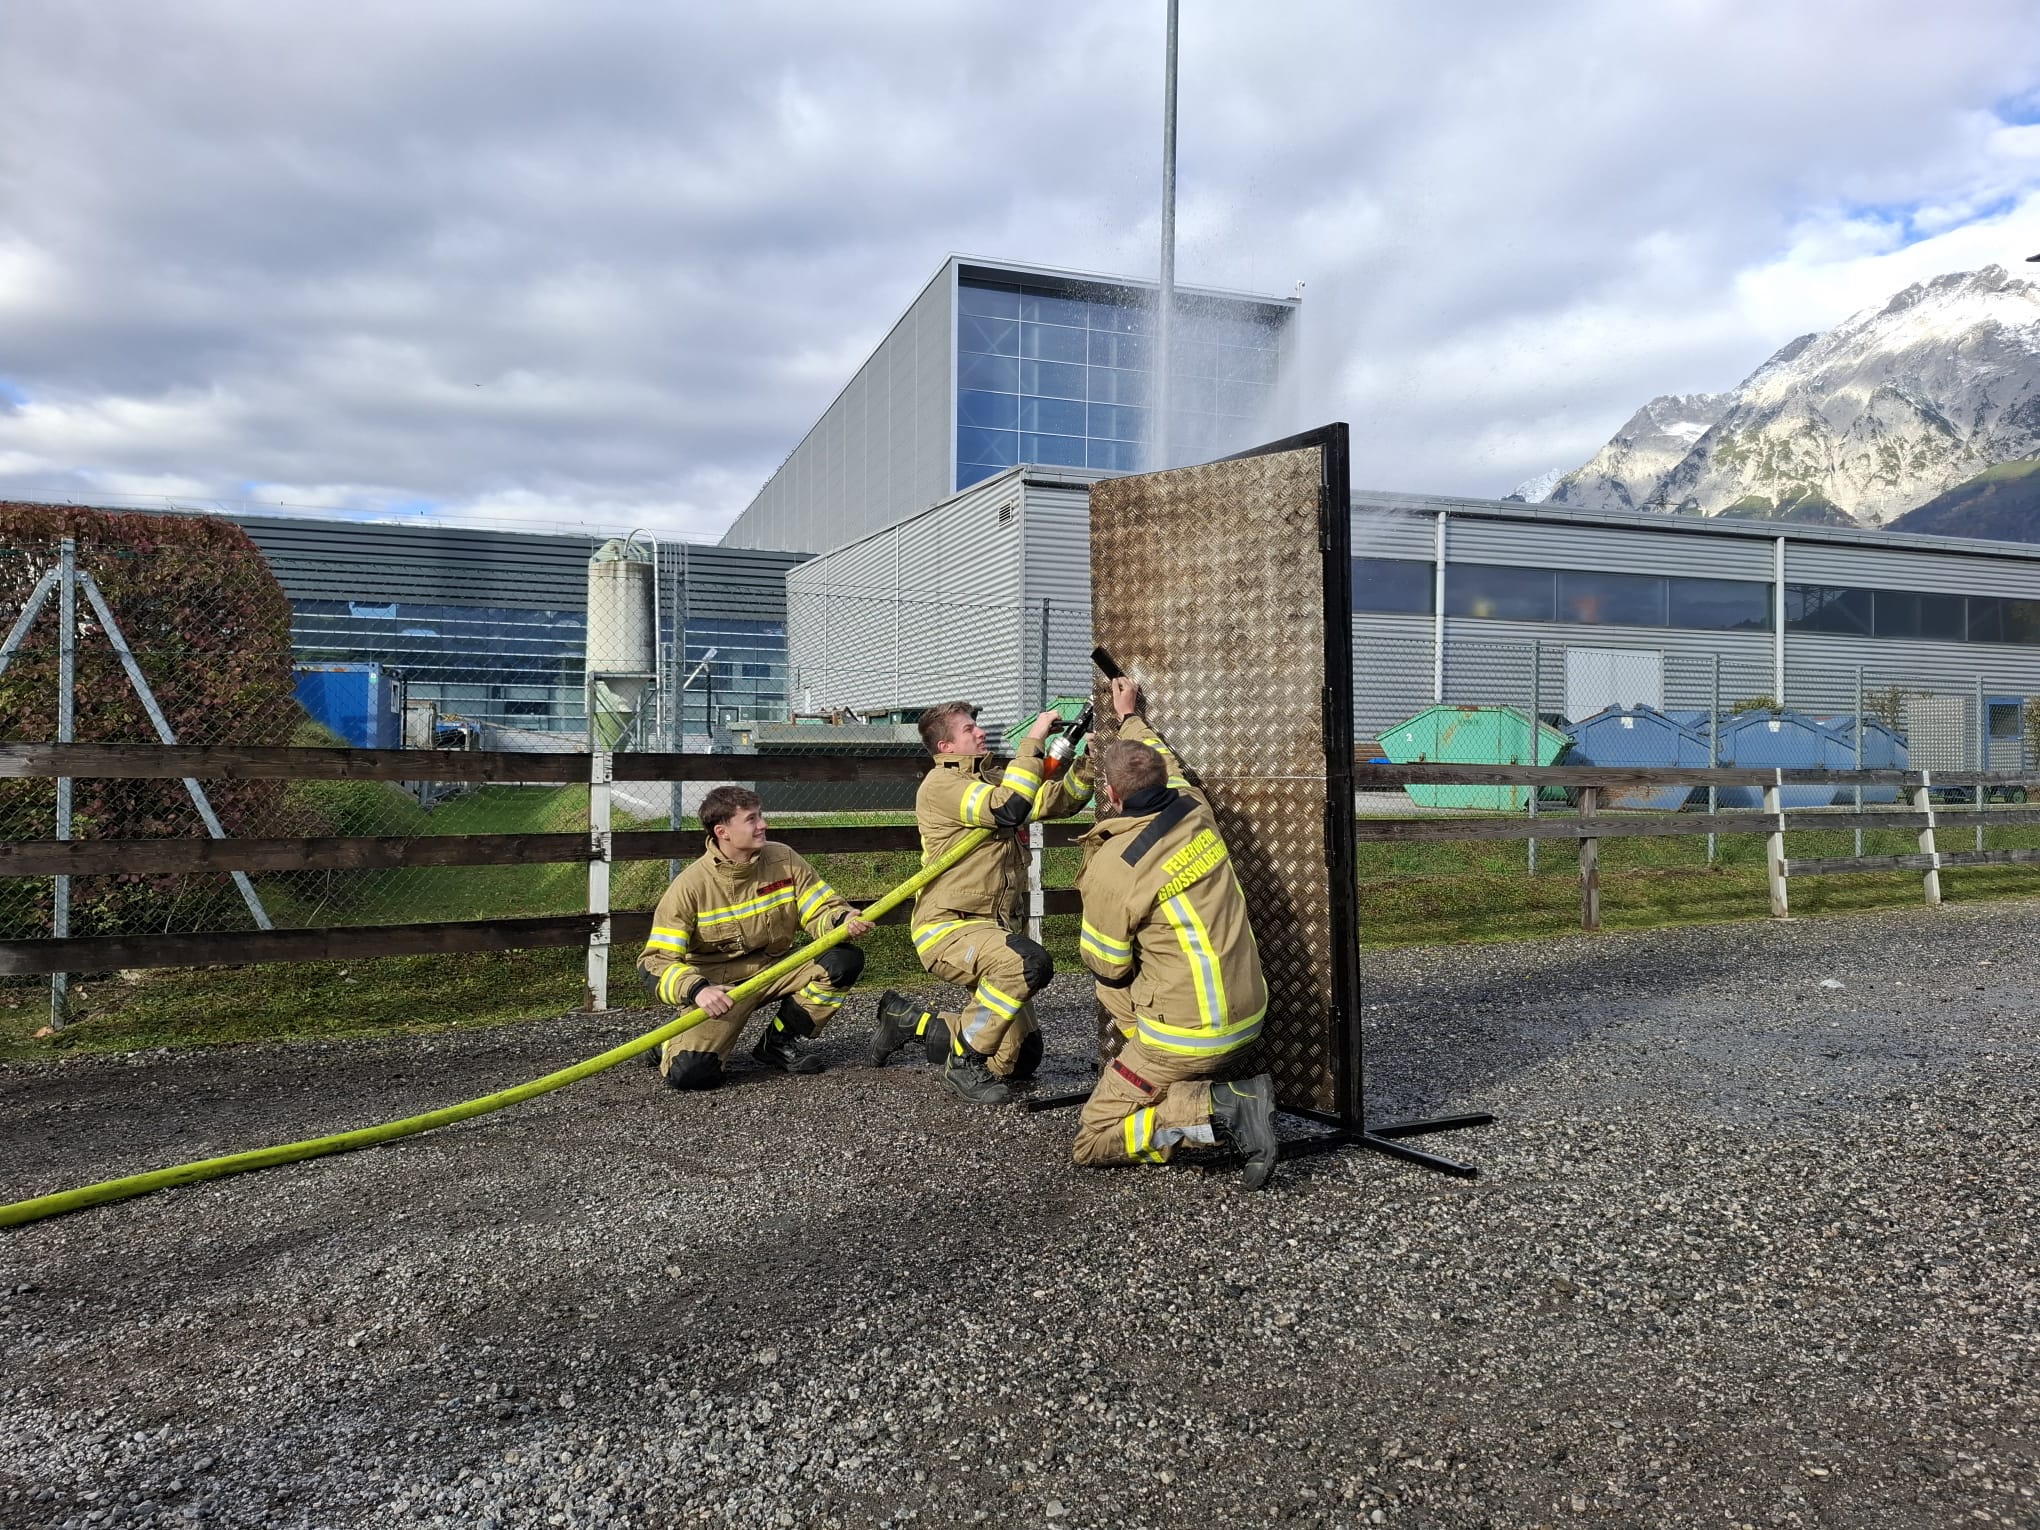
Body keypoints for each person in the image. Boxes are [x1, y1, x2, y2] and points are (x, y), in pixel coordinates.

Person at [1069, 677, 1280, 1188]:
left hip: (1185, 1039)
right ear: (1164, 779)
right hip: (1250, 1018)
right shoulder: (1194, 809)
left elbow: (1108, 965)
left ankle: (1218, 1107)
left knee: (1092, 1141)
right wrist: (1129, 716)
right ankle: (1194, 1091)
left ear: (1111, 795)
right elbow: (1160, 756)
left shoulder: (1115, 867)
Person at [868, 700, 1094, 1103]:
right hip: (950, 927)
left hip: (992, 929)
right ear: (946, 746)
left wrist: (1089, 765)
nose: (980, 732)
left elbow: (1057, 800)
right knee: (1026, 963)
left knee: (1020, 1059)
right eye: (969, 729)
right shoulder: (942, 786)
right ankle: (963, 1063)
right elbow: (1009, 807)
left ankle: (910, 1022)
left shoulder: (990, 779)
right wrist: (1034, 738)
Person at [637, 784, 874, 1090]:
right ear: (722, 832)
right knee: (694, 1075)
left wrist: (842, 920)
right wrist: (697, 991)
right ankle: (669, 1041)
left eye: (760, 815)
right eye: (751, 819)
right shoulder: (690, 887)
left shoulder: (783, 859)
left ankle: (777, 1043)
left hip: (775, 968)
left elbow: (820, 909)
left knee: (842, 960)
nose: (763, 824)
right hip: (720, 991)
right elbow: (655, 962)